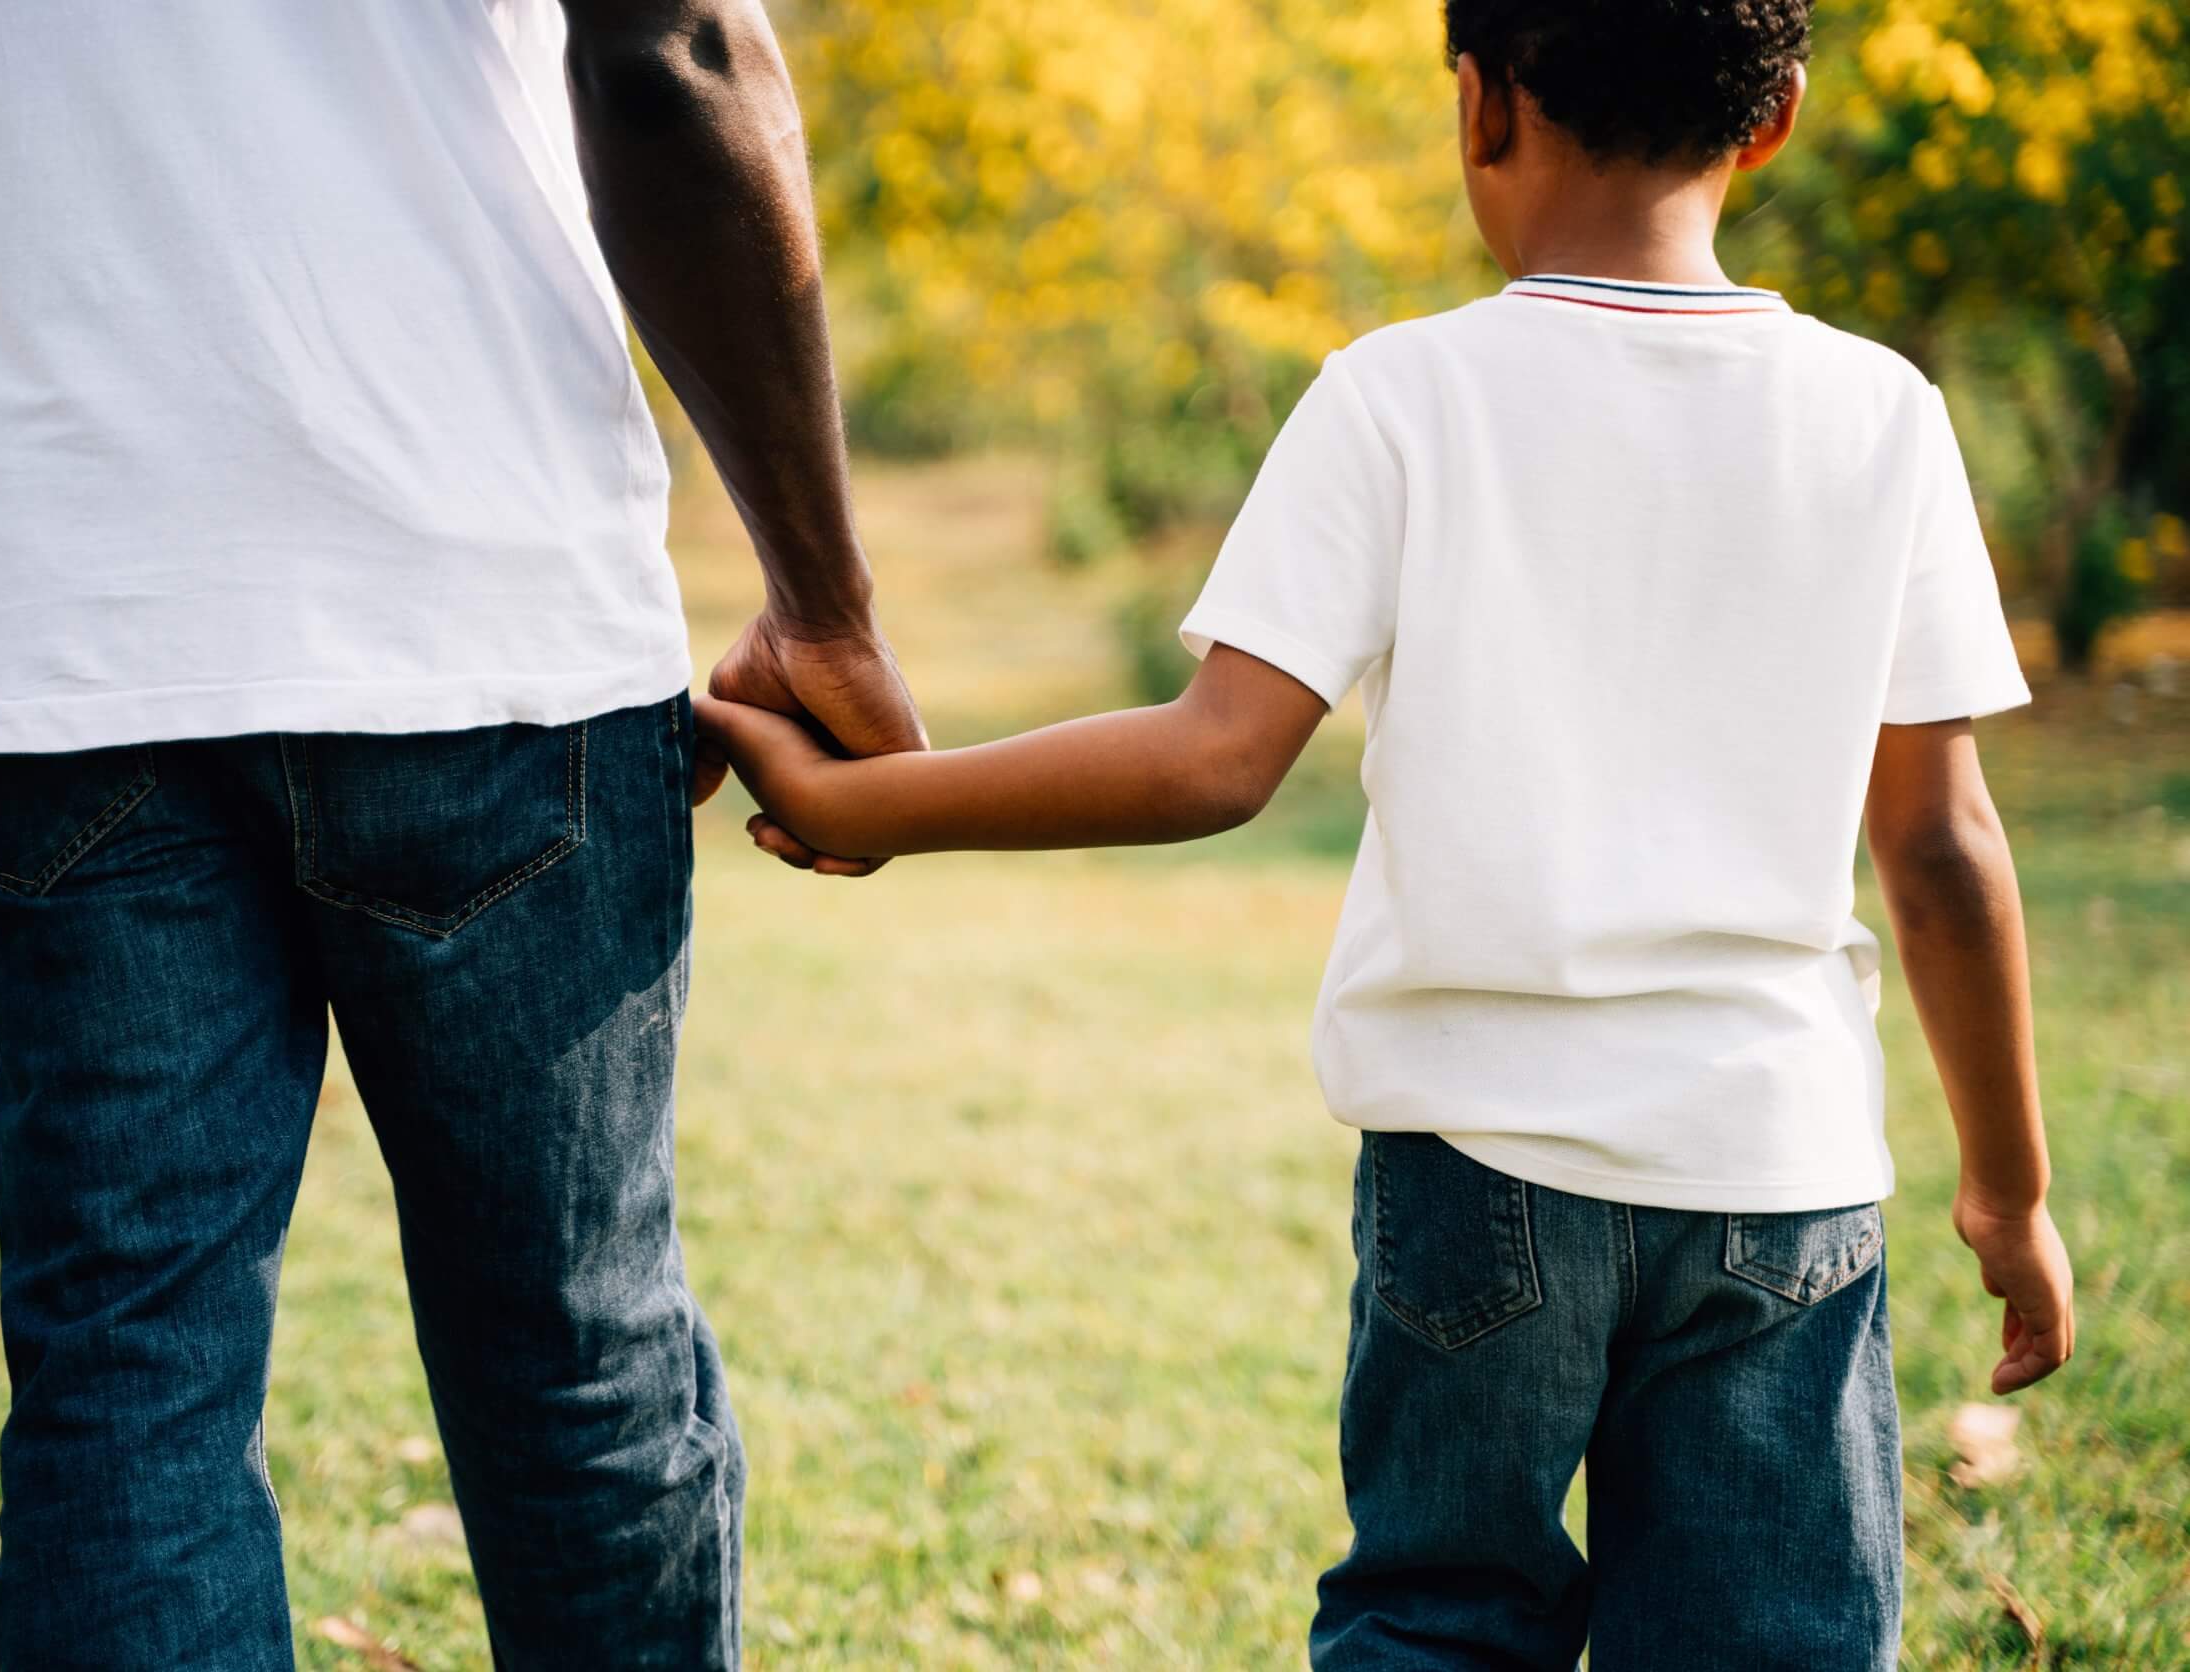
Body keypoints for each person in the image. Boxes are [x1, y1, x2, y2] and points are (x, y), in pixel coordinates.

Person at [699, 2, 2075, 1664]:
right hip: (1775, 1174)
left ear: (1482, 107)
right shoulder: (1885, 416)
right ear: (1774, 117)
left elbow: (1211, 760)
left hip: (1477, 1164)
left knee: (1436, 1619)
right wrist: (2008, 1197)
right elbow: (1941, 851)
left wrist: (869, 804)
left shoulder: (1404, 394)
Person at [0, 1, 922, 1665]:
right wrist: (824, 599)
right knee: (571, 1356)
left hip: (71, 635)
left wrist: (46, 508)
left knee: (127, 1373)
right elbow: (674, 50)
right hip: (471, 596)